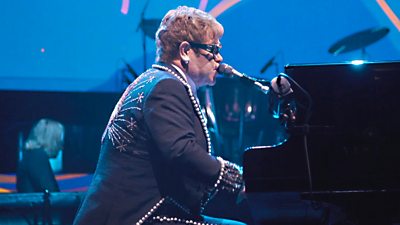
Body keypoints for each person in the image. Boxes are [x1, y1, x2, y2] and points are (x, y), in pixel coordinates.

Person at [73, 6, 246, 225]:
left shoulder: (155, 80)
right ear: (185, 51)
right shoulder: (167, 87)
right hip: (135, 217)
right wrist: (237, 179)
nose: (219, 58)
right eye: (212, 50)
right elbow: (181, 151)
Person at [16, 118, 65, 193]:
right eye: (58, 140)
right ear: (51, 139)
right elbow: (51, 192)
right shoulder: (37, 156)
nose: (61, 147)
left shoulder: (33, 155)